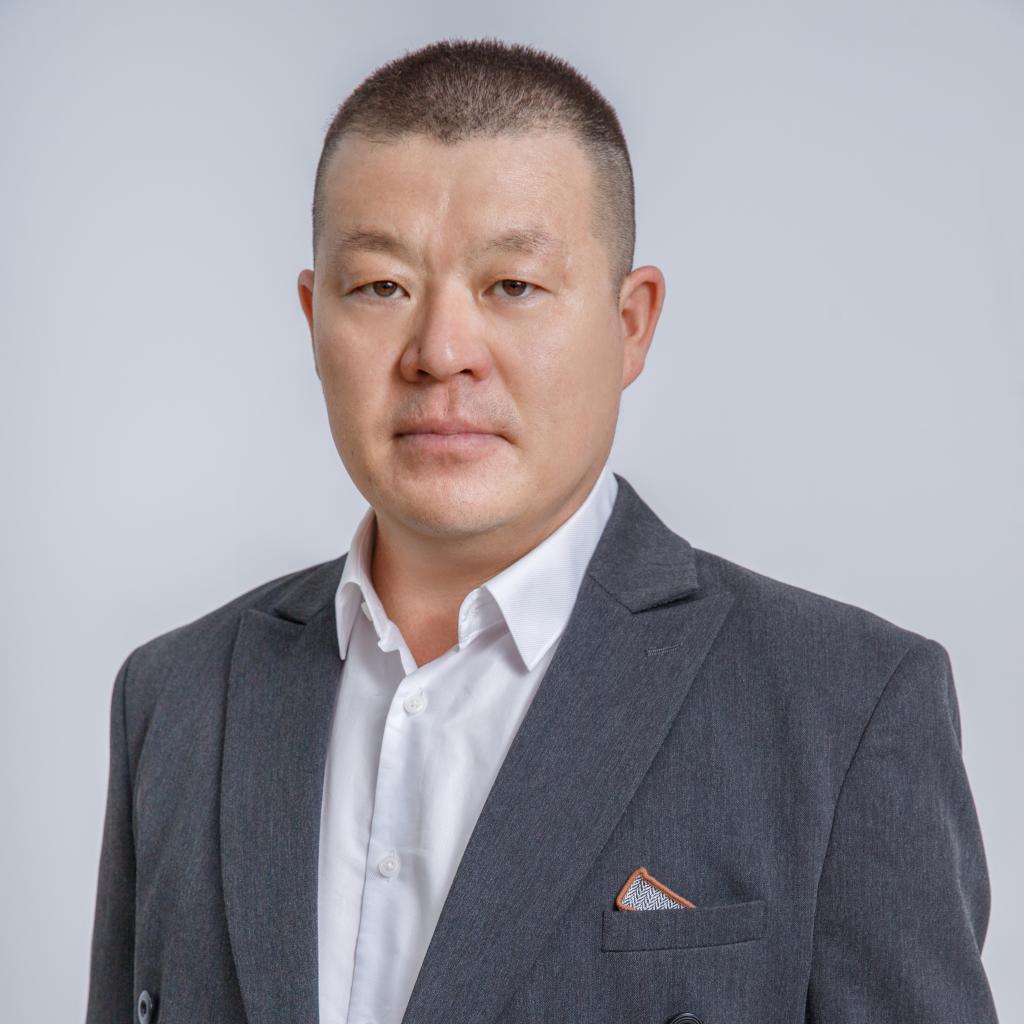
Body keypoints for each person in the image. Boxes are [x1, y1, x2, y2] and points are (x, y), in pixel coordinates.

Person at [85, 37, 999, 1024]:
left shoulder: (844, 707)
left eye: (512, 286)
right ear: (314, 320)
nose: (441, 352)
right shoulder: (176, 696)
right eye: (382, 286)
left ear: (632, 323)